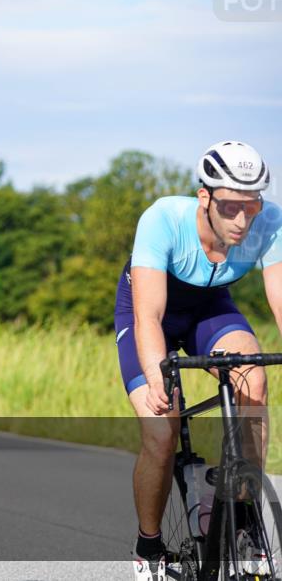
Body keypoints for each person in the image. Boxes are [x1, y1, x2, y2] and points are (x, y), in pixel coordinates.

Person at [117, 141, 281, 580]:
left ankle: (242, 516)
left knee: (254, 380)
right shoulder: (163, 218)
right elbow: (148, 315)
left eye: (252, 206)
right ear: (205, 197)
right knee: (161, 428)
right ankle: (149, 547)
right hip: (151, 310)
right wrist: (156, 376)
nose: (243, 220)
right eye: (230, 207)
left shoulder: (271, 222)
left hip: (210, 308)